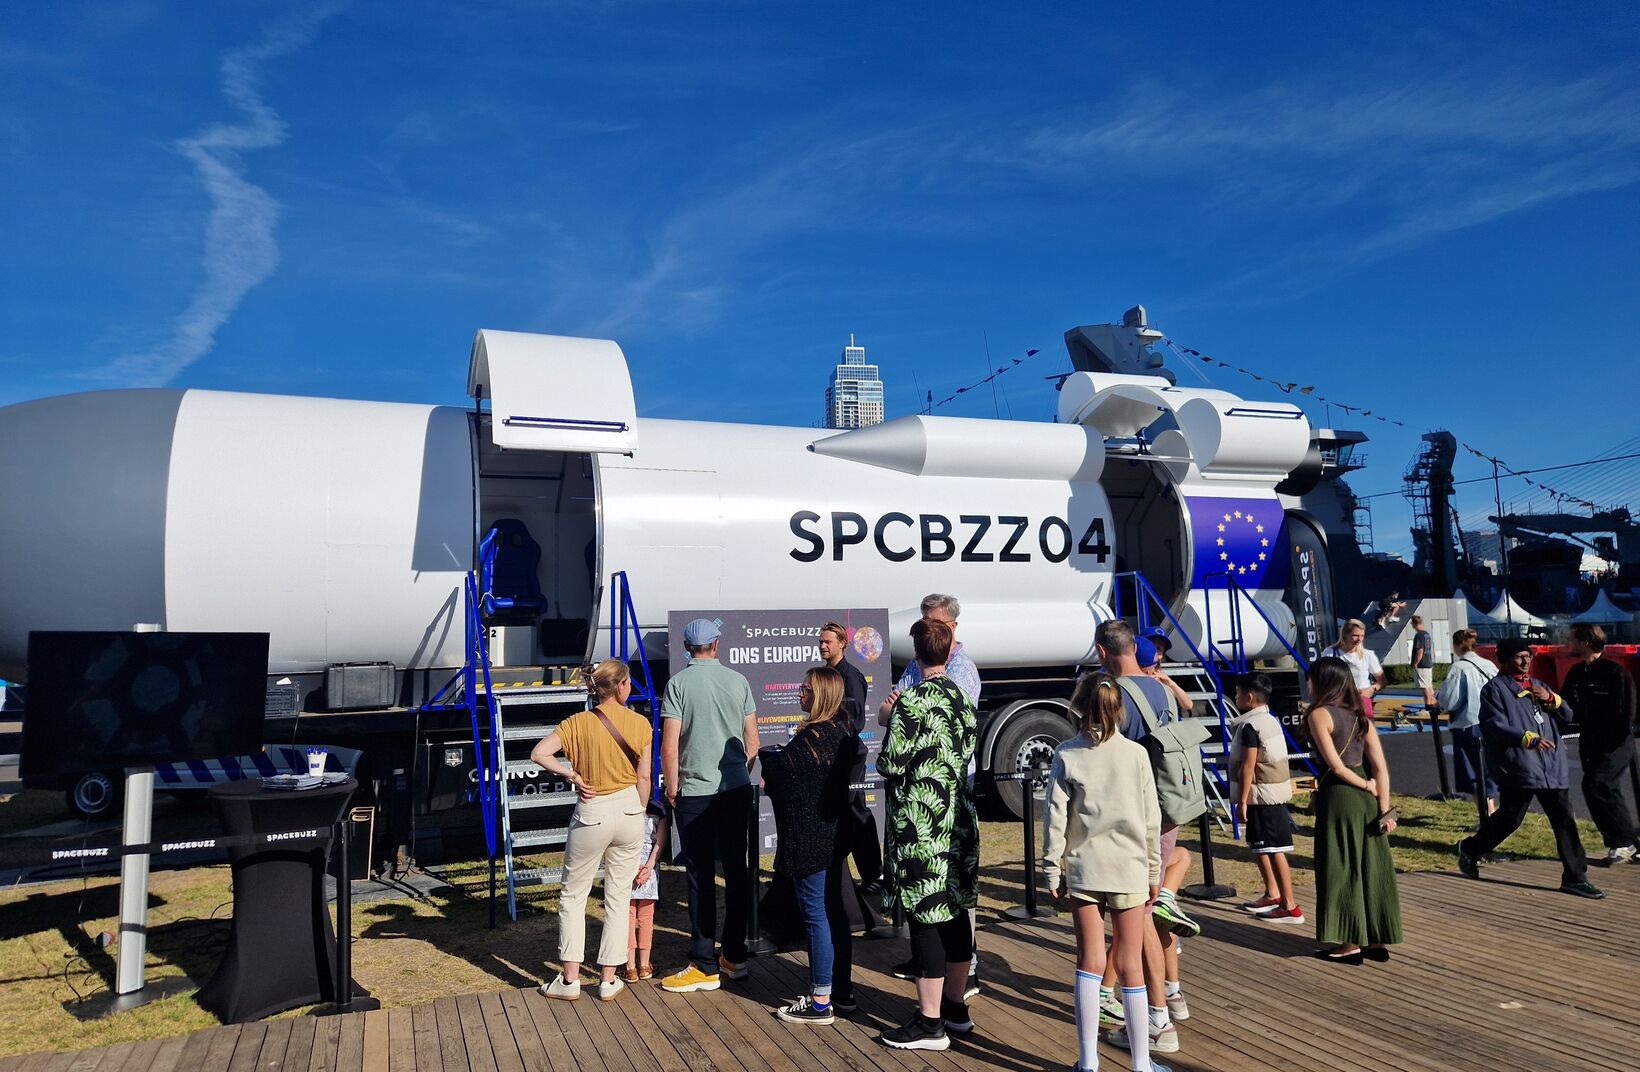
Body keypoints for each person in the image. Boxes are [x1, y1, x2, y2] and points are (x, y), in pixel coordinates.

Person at [1043, 673, 1170, 1072]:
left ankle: (1088, 1061)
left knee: (1089, 962)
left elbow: (1055, 819)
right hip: (1129, 869)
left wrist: (1052, 869)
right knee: (1130, 964)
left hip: (1085, 869)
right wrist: (1153, 872)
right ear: (1119, 708)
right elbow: (1152, 819)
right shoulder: (1136, 754)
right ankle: (1142, 1064)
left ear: (1078, 707)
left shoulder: (1066, 754)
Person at [875, 616, 979, 1051]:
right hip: (959, 819)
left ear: (916, 653)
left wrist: (889, 716)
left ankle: (930, 1021)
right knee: (954, 911)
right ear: (949, 649)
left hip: (923, 823)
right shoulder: (962, 697)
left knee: (926, 916)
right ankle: (955, 1008)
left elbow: (890, 763)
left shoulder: (912, 701)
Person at [531, 659, 650, 1001]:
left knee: (573, 896)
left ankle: (569, 980)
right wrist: (640, 811)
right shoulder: (640, 723)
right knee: (618, 898)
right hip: (630, 808)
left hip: (592, 807)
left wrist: (573, 775)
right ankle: (608, 979)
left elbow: (539, 754)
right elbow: (644, 776)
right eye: (628, 682)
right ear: (622, 685)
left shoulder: (577, 723)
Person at [1095, 620, 1187, 1058]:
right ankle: (1167, 999)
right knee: (1144, 911)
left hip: (1133, 819)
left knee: (1141, 915)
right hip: (1167, 811)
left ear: (1102, 652)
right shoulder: (1161, 689)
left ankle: (1158, 1021)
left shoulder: (1115, 695)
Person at [1458, 638, 1604, 898]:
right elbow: (1493, 725)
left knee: (1564, 820)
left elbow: (1569, 717)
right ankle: (1470, 849)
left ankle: (1575, 877)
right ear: (1504, 660)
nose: (1526, 661)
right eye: (1519, 657)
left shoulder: (1539, 686)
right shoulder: (1494, 690)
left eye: (1529, 656)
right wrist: (1526, 738)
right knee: (1510, 818)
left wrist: (1553, 699)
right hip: (1520, 766)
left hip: (1551, 765)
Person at [659, 618, 761, 993]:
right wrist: (738, 774)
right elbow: (753, 741)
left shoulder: (678, 684)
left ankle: (704, 962)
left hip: (695, 792)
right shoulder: (738, 681)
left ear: (687, 647)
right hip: (735, 788)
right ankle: (734, 956)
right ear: (716, 645)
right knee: (736, 871)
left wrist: (673, 789)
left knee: (700, 877)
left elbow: (670, 746)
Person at [762, 666, 855, 1025]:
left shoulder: (812, 738)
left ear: (821, 696)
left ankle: (820, 1000)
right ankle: (840, 991)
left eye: (805, 689)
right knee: (831, 913)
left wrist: (770, 761)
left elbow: (780, 779)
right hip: (833, 835)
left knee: (816, 915)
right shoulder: (842, 731)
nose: (799, 693)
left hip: (811, 837)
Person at [1306, 656, 1402, 962]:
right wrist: (1383, 807)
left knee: (1341, 865)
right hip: (1367, 801)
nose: (1308, 683)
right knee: (1372, 865)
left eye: (1311, 678)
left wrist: (1365, 786)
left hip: (1340, 796)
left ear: (1323, 681)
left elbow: (1335, 766)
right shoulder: (1362, 717)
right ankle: (1376, 938)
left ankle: (1349, 943)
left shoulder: (1319, 714)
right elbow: (1381, 768)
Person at [1561, 624, 1640, 864]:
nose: (1568, 643)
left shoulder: (1614, 672)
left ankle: (1623, 842)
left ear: (1585, 642)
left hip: (1615, 742)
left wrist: (1617, 739)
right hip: (1589, 741)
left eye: (1572, 639)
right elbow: (1566, 705)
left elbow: (1627, 709)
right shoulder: (1577, 672)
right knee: (1605, 790)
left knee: (1596, 785)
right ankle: (1627, 842)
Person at [1229, 673, 1302, 925]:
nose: (1235, 697)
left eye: (1238, 693)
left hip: (1263, 796)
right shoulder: (1269, 720)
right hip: (1269, 794)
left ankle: (1289, 905)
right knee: (1260, 846)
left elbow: (1248, 766)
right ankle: (1272, 893)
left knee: (1274, 848)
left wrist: (1242, 800)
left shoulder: (1251, 726)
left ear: (1249, 697)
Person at [819, 621, 880, 893]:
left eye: (828, 642)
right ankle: (837, 878)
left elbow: (856, 722)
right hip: (830, 756)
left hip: (849, 757)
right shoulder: (825, 674)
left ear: (842, 644)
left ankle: (873, 876)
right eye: (821, 642)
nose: (823, 646)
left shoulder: (851, 676)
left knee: (856, 812)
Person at [1436, 629, 1498, 811]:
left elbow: (1450, 701)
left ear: (1456, 646)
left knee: (1473, 772)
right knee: (1489, 769)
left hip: (1469, 723)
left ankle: (1486, 815)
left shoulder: (1458, 668)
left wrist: (1438, 698)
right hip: (1492, 722)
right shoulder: (1489, 665)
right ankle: (1492, 811)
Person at [624, 801, 668, 984]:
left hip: (626, 866)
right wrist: (649, 866)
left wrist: (633, 867)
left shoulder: (623, 805)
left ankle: (630, 968)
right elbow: (660, 841)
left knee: (626, 918)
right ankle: (644, 965)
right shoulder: (658, 809)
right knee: (646, 918)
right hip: (649, 870)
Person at [1320, 620, 1385, 717]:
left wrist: (1371, 689)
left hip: (1362, 702)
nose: (1359, 639)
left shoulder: (1368, 655)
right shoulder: (1330, 653)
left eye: (1362, 636)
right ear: (1345, 635)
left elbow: (1382, 680)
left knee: (1366, 726)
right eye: (1355, 635)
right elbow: (1322, 679)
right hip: (1338, 703)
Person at [1409, 615, 1436, 711]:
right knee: (1429, 685)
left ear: (1414, 624)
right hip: (1428, 662)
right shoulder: (1426, 634)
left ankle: (1428, 704)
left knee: (1424, 686)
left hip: (1422, 664)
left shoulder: (1419, 635)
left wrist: (1416, 663)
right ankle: (1433, 702)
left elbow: (1420, 650)